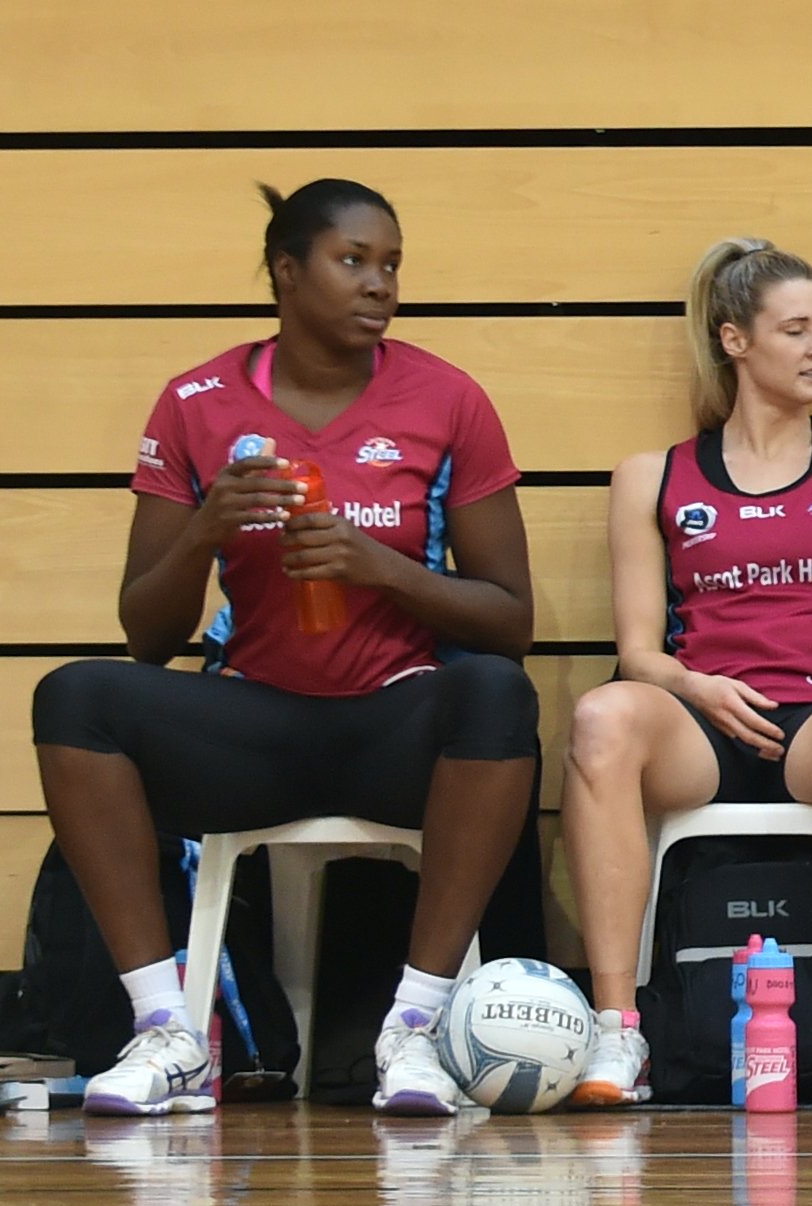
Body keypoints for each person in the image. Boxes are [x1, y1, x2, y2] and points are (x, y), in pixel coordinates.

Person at [40, 180, 538, 1117]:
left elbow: (511, 617)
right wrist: (203, 530)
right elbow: (147, 635)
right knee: (75, 697)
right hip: (256, 725)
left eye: (391, 264)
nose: (379, 284)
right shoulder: (197, 403)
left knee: (499, 695)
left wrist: (380, 566)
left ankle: (416, 1030)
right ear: (285, 271)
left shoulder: (448, 397)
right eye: (353, 261)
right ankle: (166, 1030)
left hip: (394, 723)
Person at [557, 238, 812, 1111]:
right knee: (600, 717)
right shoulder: (651, 477)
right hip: (706, 722)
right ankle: (617, 1030)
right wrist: (695, 688)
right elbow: (639, 650)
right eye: (795, 330)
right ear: (735, 341)